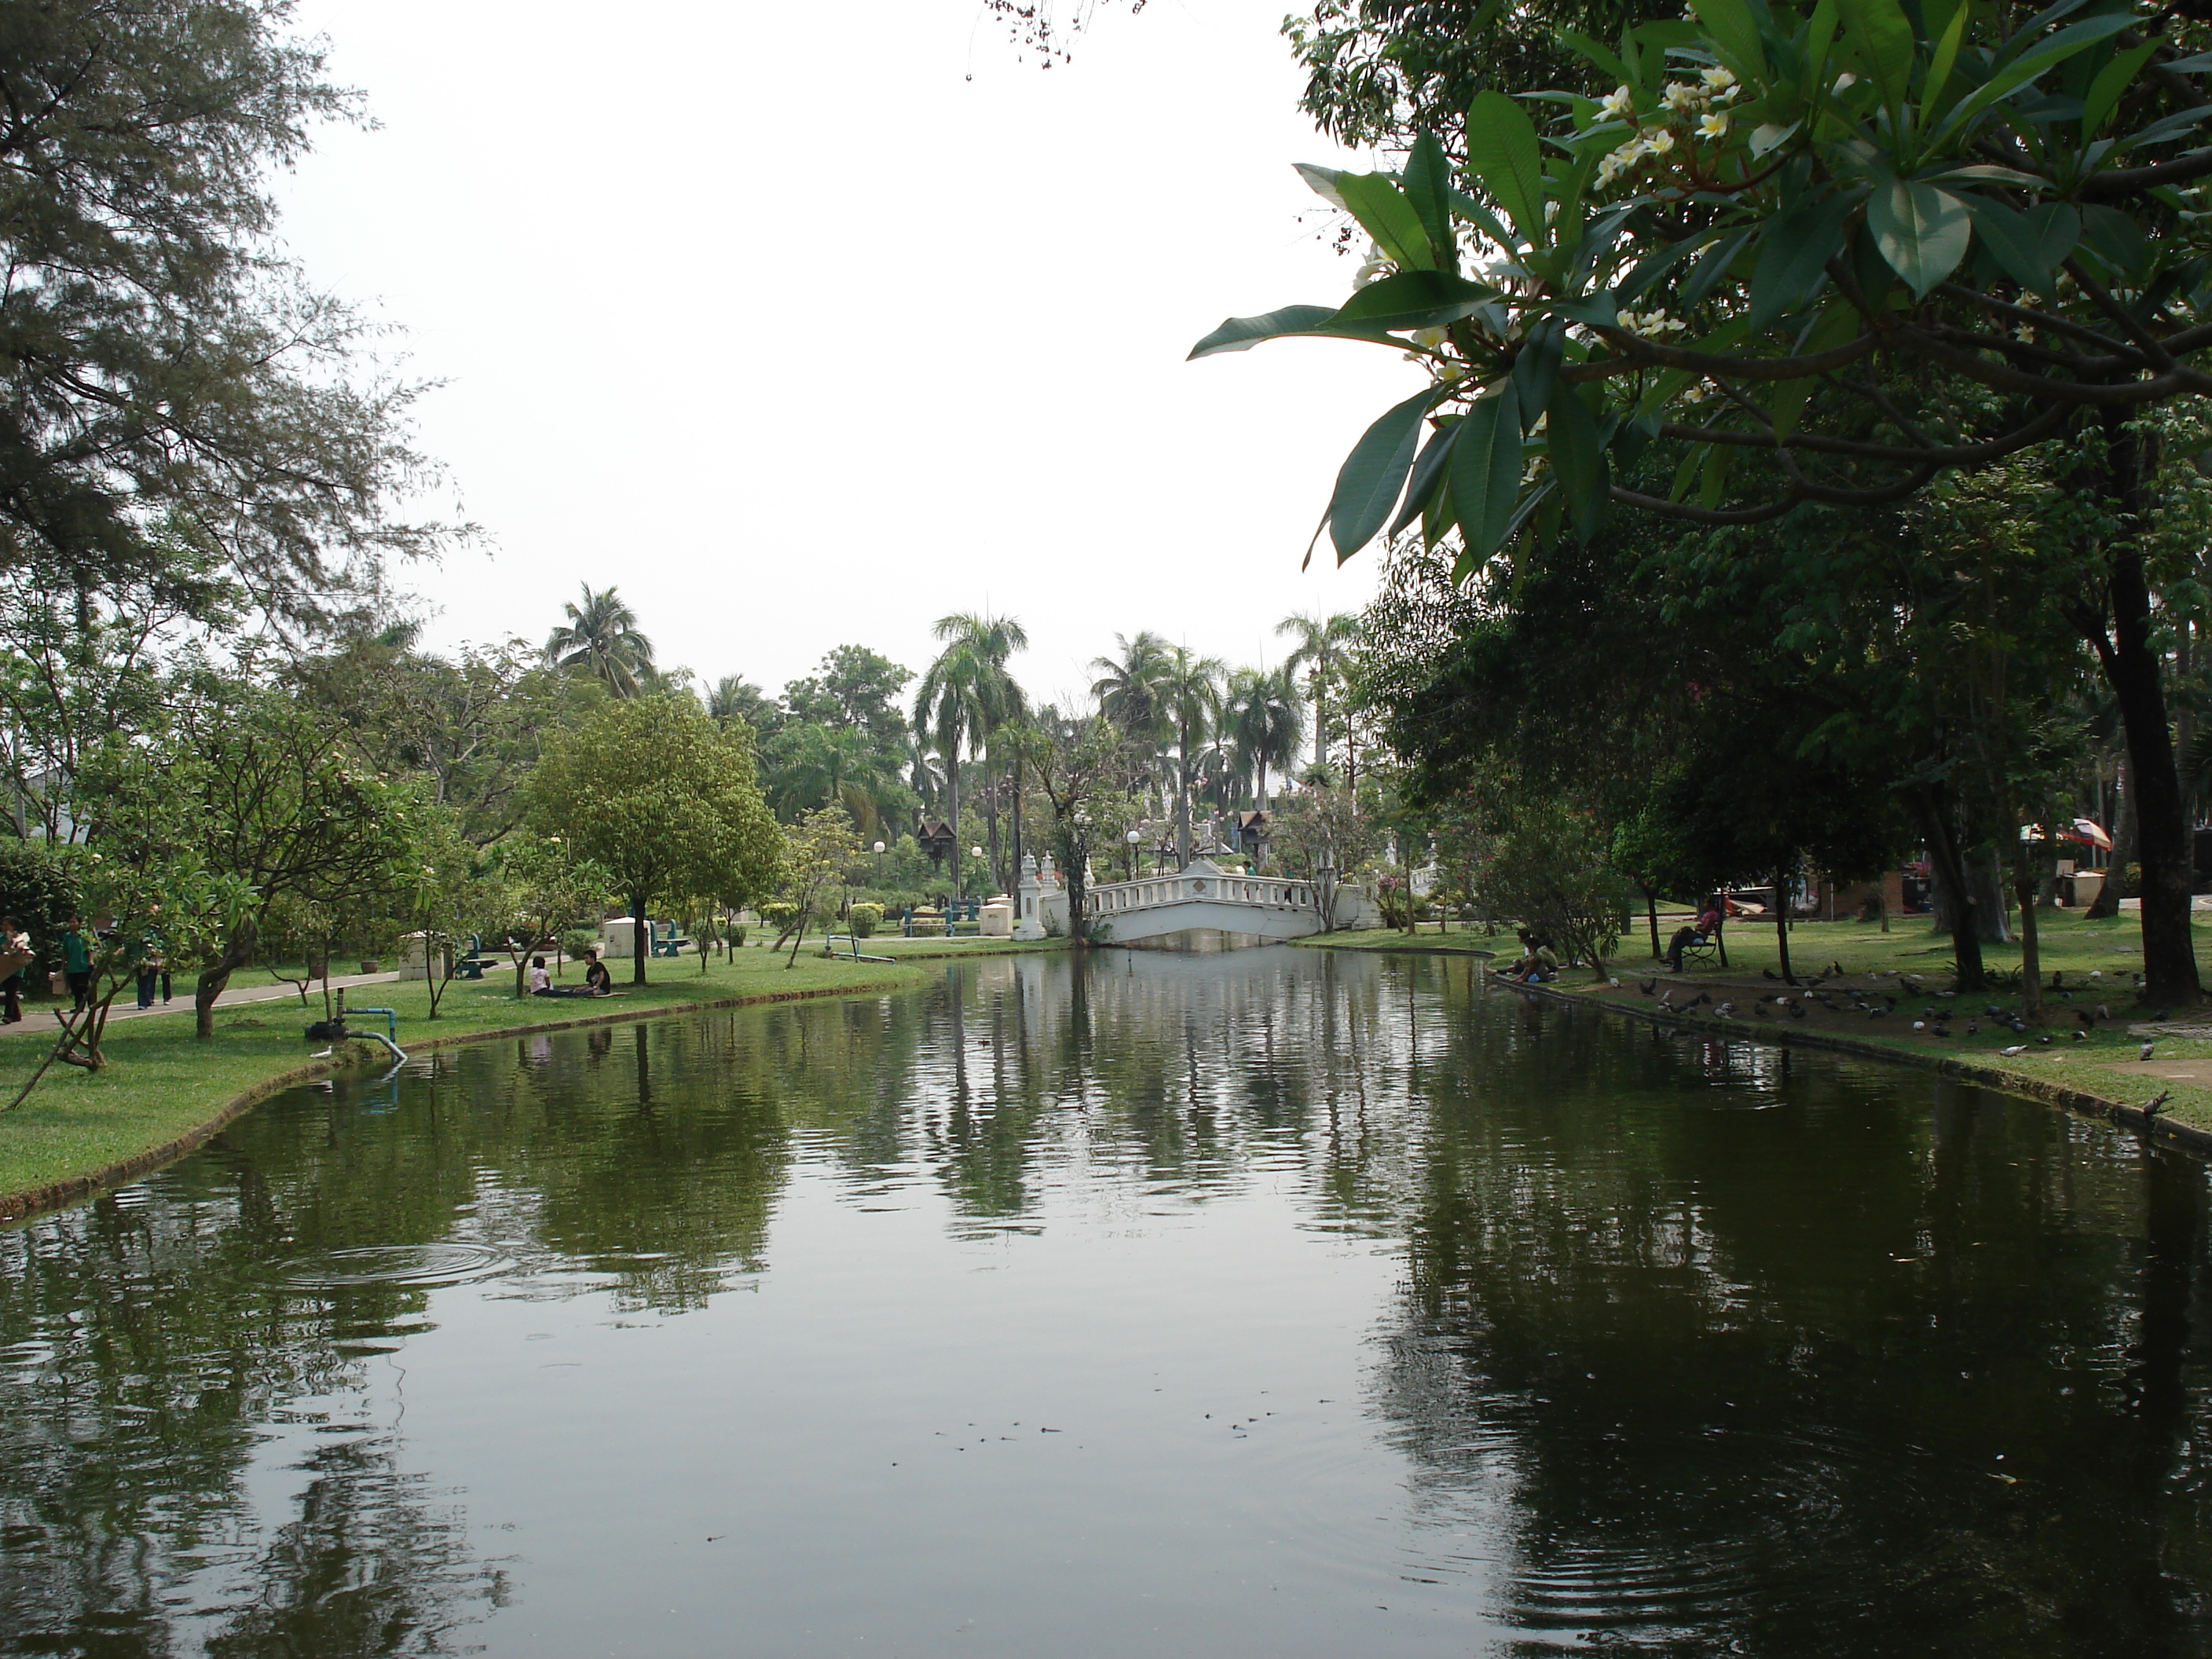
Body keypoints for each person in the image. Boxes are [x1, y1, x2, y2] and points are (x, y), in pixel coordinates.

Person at [1665, 895, 1726, 972]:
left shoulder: (1712, 914)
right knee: (1677, 940)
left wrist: (1698, 928)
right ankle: (1675, 966)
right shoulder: (1710, 914)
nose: (1704, 904)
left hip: (1700, 936)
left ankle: (1671, 959)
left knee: (1683, 932)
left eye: (1705, 903)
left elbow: (1705, 928)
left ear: (1710, 904)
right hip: (1697, 935)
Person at [0, 917, 27, 1024]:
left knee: (11, 991)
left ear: (14, 927)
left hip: (17, 969)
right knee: (9, 991)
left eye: (7, 925)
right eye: (3, 925)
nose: (4, 927)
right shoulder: (1, 938)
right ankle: (16, 1015)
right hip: (4, 968)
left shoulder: (20, 938)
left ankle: (8, 1015)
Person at [61, 916, 92, 1010]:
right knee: (75, 988)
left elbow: (90, 950)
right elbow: (65, 951)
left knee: (84, 986)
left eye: (74, 922)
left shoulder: (84, 935)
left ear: (79, 923)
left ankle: (91, 1004)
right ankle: (78, 1006)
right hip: (72, 966)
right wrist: (63, 965)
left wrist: (90, 961)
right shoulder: (68, 936)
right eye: (70, 922)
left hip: (83, 965)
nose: (71, 924)